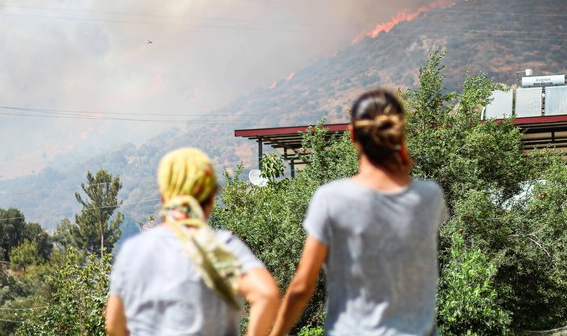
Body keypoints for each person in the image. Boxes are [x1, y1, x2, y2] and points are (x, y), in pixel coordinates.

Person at [273, 89, 447, 336]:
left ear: (352, 133)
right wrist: (403, 164)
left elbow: (302, 286)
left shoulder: (332, 198)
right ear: (399, 134)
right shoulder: (430, 196)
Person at [106, 147, 280, 336]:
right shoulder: (222, 246)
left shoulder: (133, 251)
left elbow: (114, 324)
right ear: (211, 198)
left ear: (164, 196)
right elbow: (266, 295)